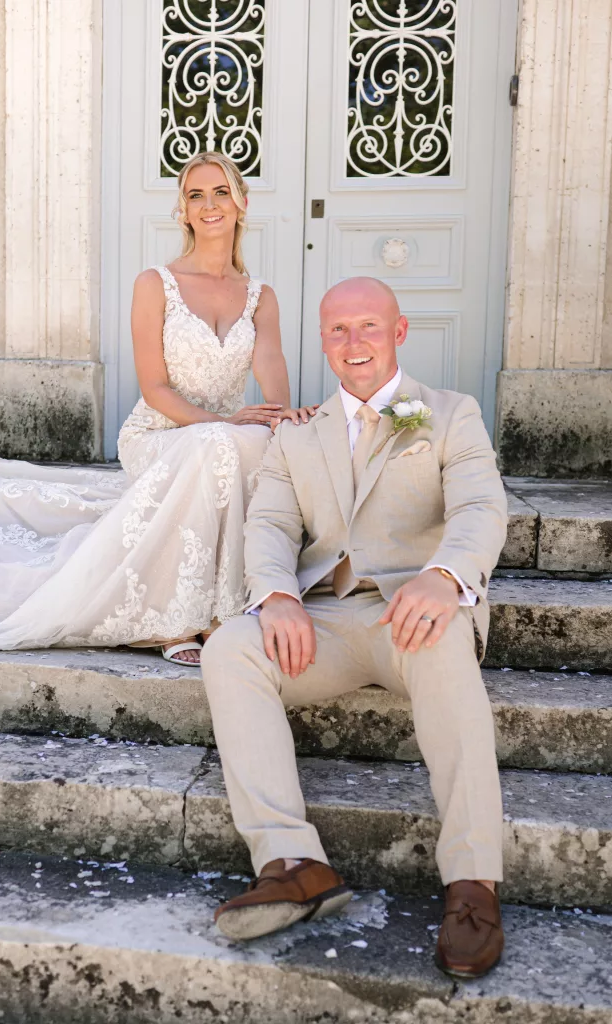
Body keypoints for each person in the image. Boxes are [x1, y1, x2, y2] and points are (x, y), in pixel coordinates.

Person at [201, 276, 509, 979]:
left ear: (398, 333)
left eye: (368, 327)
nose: (353, 343)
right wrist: (276, 594)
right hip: (328, 619)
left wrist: (446, 577)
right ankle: (292, 862)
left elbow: (478, 509)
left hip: (417, 611)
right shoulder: (298, 436)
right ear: (324, 340)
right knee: (231, 648)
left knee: (445, 652)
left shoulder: (448, 414)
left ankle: (472, 885)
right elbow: (272, 523)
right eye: (338, 330)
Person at [0, 152, 312, 660]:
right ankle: (178, 619)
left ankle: (224, 611)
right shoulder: (156, 283)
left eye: (221, 192)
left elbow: (271, 374)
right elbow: (155, 387)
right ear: (183, 211)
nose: (209, 205)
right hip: (158, 432)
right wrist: (222, 423)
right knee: (221, 444)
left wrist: (278, 415)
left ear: (242, 202)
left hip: (219, 438)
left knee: (252, 443)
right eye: (195, 195)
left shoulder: (260, 296)